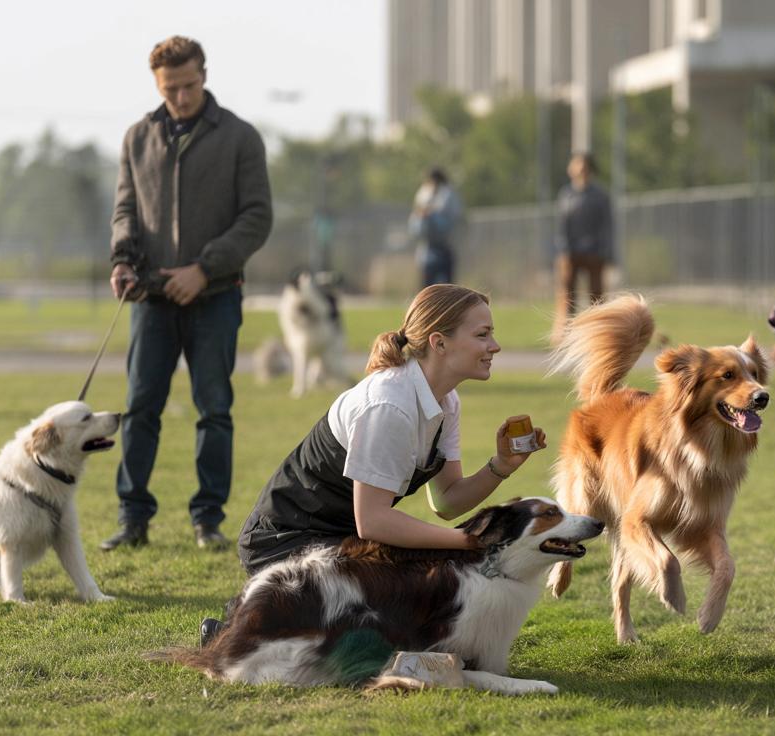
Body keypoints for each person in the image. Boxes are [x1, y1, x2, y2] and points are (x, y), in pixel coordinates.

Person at [235, 283, 545, 574]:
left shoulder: (446, 401)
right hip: (282, 545)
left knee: (427, 585)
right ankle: (243, 630)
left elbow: (447, 502)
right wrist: (468, 542)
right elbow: (373, 522)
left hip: (341, 540)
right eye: (483, 334)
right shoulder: (388, 405)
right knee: (413, 588)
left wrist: (501, 466)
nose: (496, 346)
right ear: (439, 342)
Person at [102, 35, 273, 552]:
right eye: (170, 88)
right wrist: (122, 260)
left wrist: (203, 268)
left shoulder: (241, 137)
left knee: (214, 409)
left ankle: (208, 520)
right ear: (157, 84)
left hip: (216, 295)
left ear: (205, 74)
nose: (180, 95)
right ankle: (132, 520)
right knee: (139, 409)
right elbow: (125, 210)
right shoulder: (137, 137)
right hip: (151, 299)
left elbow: (257, 218)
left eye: (190, 84)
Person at [553, 152, 614, 342]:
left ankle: (599, 332)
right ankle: (564, 332)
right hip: (571, 252)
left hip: (594, 252)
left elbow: (607, 226)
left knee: (596, 296)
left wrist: (607, 251)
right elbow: (562, 225)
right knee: (567, 294)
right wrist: (562, 249)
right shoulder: (567, 194)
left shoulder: (600, 196)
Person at [409, 167, 462, 288]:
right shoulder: (424, 193)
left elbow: (450, 223)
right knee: (427, 289)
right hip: (428, 249)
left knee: (448, 289)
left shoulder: (448, 194)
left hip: (445, 248)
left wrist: (432, 215)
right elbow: (415, 227)